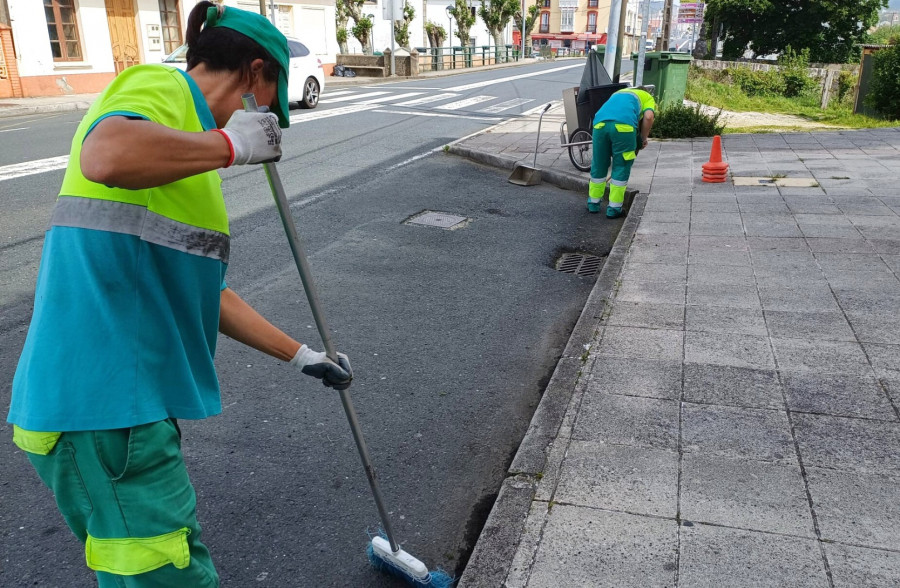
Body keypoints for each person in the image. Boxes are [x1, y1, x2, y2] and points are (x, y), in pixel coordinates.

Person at [6, 3, 351, 586]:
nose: (266, 116)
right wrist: (230, 145)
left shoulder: (183, 161)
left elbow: (206, 294)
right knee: (167, 575)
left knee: (151, 565)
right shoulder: (161, 85)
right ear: (252, 72)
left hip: (115, 411)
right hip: (105, 409)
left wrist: (302, 356)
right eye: (269, 98)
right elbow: (107, 153)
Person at [587, 86, 656, 218]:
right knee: (621, 166)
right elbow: (648, 117)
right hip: (624, 127)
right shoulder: (647, 97)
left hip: (599, 125)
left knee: (599, 164)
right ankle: (614, 208)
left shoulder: (619, 93)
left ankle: (593, 203)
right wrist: (643, 138)